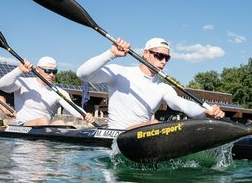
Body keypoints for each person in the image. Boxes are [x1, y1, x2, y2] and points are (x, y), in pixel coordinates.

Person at [77, 37, 225, 130]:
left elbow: (182, 104)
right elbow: (82, 74)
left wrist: (206, 112)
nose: (163, 61)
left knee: (157, 124)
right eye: (159, 55)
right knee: (154, 124)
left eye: (167, 58)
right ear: (145, 53)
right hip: (117, 136)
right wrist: (110, 54)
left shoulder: (163, 88)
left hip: (142, 136)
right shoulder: (119, 73)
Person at [0, 56, 95, 126]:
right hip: (23, 126)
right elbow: (1, 85)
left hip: (44, 127)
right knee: (43, 120)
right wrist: (19, 70)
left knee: (60, 123)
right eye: (48, 71)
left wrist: (85, 115)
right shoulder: (23, 83)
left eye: (54, 72)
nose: (51, 75)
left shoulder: (60, 92)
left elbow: (73, 108)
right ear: (38, 69)